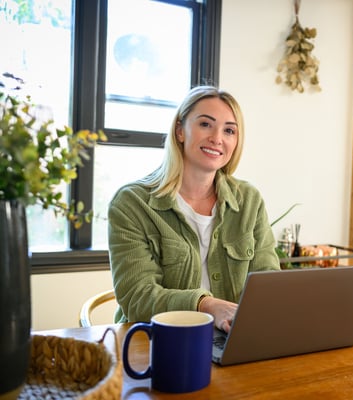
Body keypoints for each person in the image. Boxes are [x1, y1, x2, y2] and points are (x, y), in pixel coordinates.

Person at [107, 86, 280, 333]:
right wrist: (206, 305)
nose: (217, 138)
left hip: (230, 338)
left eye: (229, 130)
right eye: (206, 124)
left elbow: (268, 282)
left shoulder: (249, 200)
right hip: (156, 341)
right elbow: (137, 297)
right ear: (180, 131)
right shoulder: (132, 203)